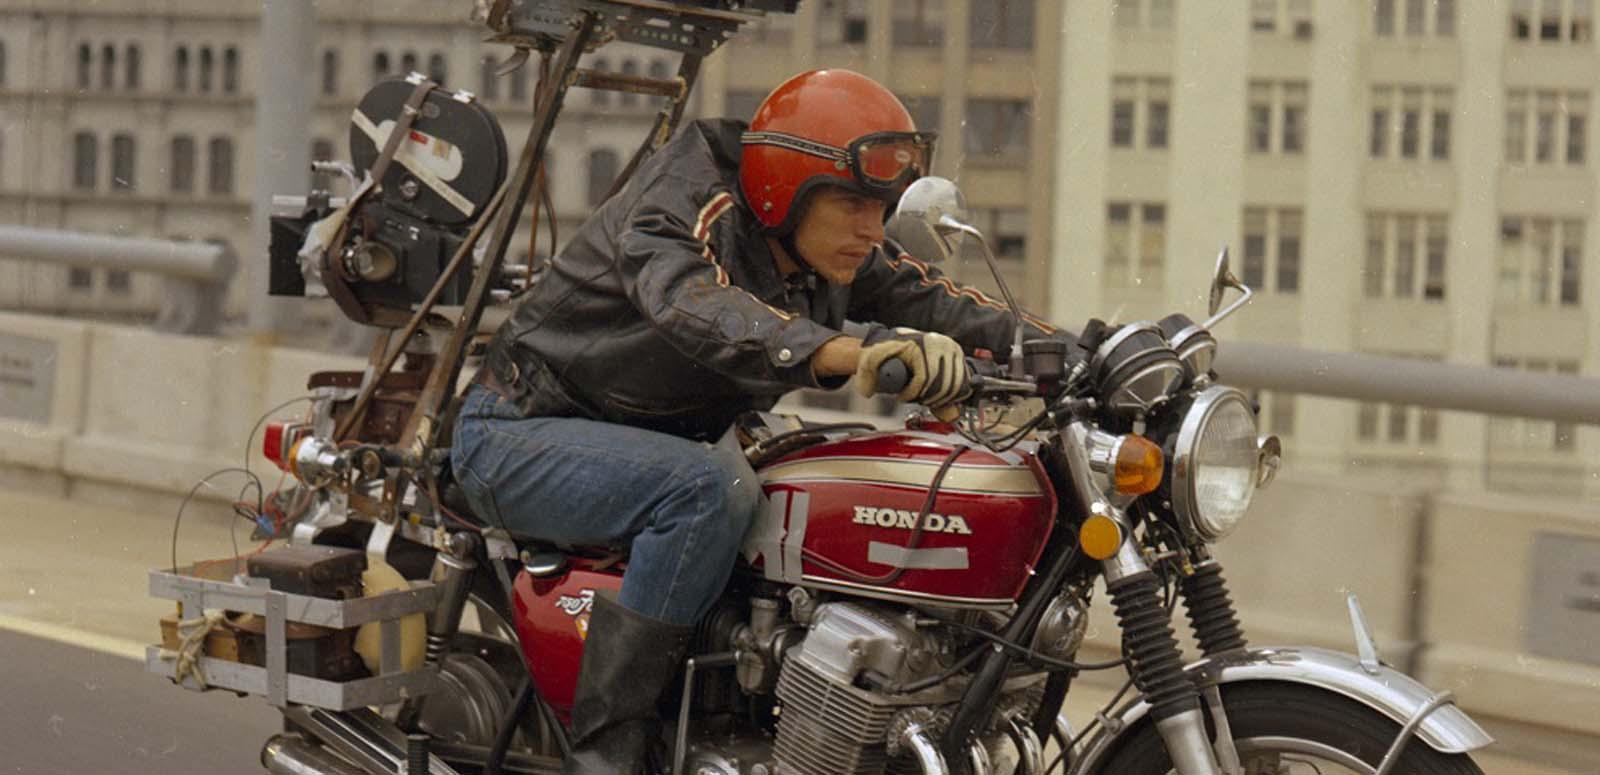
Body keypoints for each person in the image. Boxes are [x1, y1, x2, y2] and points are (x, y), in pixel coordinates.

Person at [451, 68, 1065, 774]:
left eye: (884, 207)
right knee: (704, 494)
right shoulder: (681, 203)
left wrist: (1082, 349)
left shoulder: (831, 246)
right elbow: (690, 298)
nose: (873, 228)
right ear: (785, 189)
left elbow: (939, 300)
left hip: (656, 442)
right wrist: (839, 350)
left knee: (808, 475)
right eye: (854, 204)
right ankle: (608, 754)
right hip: (518, 429)